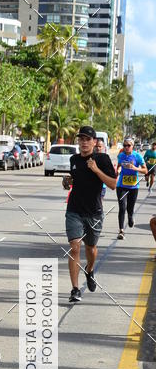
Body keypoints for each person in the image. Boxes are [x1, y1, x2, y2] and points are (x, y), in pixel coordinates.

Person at [64, 125, 117, 303]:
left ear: (94, 142)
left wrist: (96, 170)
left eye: (88, 139)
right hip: (74, 210)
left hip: (94, 212)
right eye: (81, 139)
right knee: (74, 247)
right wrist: (67, 181)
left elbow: (112, 184)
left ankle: (90, 269)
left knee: (91, 249)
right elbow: (72, 181)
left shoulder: (102, 159)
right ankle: (75, 289)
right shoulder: (74, 159)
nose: (84, 142)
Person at [115, 137, 147, 240]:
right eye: (124, 145)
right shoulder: (121, 155)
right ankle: (121, 231)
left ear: (132, 146)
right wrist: (118, 170)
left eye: (128, 145)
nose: (126, 147)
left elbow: (145, 170)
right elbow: (119, 166)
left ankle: (130, 217)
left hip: (133, 186)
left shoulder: (137, 156)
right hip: (121, 186)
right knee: (122, 207)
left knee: (130, 208)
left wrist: (135, 168)